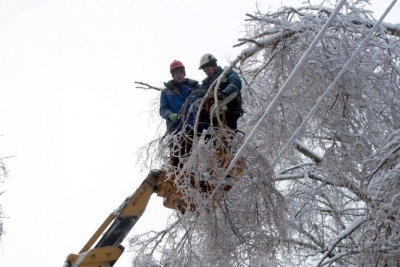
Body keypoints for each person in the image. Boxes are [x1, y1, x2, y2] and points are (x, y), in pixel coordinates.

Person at [160, 60, 202, 168]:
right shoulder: (166, 92)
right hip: (176, 130)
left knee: (195, 160)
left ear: (184, 73)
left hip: (195, 128)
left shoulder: (195, 86)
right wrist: (170, 115)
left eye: (180, 72)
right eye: (176, 73)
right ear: (173, 75)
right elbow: (163, 109)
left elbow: (203, 100)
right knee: (177, 162)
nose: (179, 75)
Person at [198, 53, 243, 131]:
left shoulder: (227, 73)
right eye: (205, 71)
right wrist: (201, 106)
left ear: (214, 66)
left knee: (228, 135)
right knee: (212, 137)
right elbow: (198, 97)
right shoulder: (205, 84)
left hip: (231, 109)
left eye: (208, 69)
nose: (207, 72)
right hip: (214, 115)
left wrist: (224, 94)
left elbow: (235, 83)